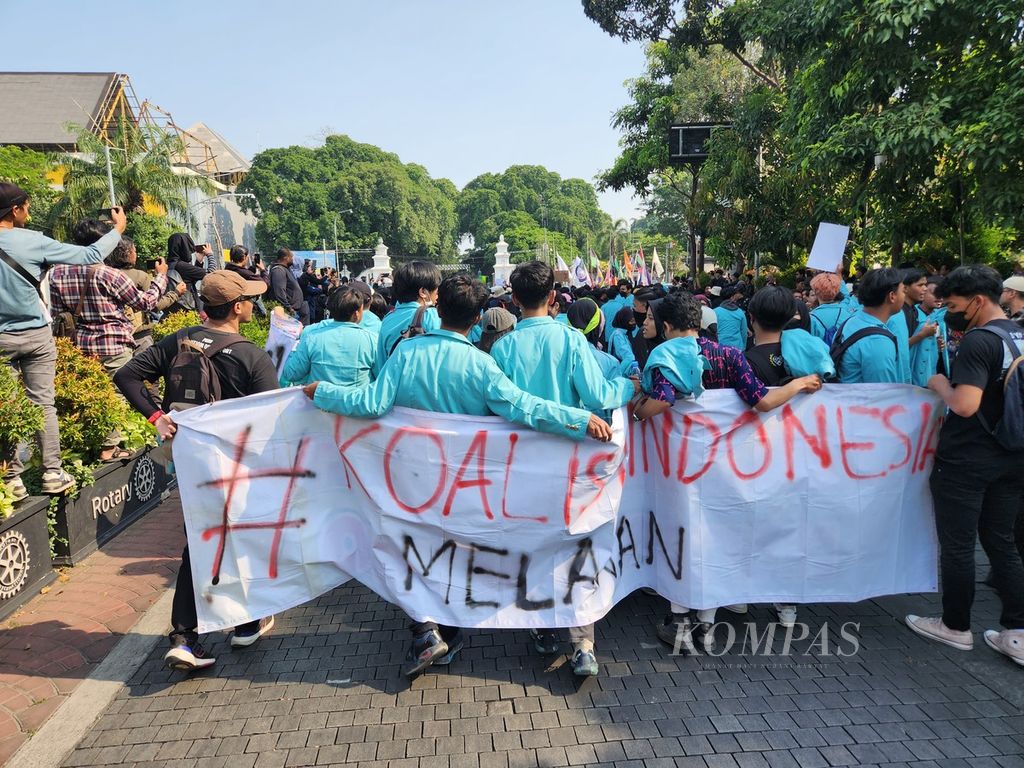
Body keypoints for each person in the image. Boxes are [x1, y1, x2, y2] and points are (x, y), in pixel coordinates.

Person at [303, 273, 613, 678]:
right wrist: (579, 419)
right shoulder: (482, 365)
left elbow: (370, 401)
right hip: (465, 486)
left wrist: (321, 392)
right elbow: (525, 407)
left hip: (409, 480)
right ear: (477, 317)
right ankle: (469, 624)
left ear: (438, 307)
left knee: (416, 549)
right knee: (457, 550)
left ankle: (433, 632)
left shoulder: (406, 354)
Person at [633, 292, 822, 649]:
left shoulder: (665, 357)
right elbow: (762, 402)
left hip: (682, 469)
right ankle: (708, 622)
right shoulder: (730, 355)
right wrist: (796, 385)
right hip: (727, 468)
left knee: (683, 535)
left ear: (669, 325)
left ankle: (681, 620)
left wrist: (638, 411)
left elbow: (662, 399)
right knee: (717, 534)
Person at [114, 270, 280, 672]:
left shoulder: (179, 341)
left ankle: (203, 632)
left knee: (201, 538)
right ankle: (221, 628)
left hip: (189, 461)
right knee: (237, 536)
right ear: (237, 307)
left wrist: (156, 415)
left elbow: (126, 374)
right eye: (248, 300)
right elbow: (274, 419)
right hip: (236, 465)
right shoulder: (251, 356)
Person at [490, 262, 638, 677]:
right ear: (553, 296)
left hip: (522, 464)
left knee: (532, 544)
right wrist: (629, 387)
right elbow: (598, 393)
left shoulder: (502, 348)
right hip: (574, 463)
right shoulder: (572, 340)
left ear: (514, 299)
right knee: (577, 545)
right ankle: (583, 642)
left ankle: (540, 628)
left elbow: (503, 406)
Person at [904, 265, 1024, 667]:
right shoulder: (1019, 333)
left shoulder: (979, 341)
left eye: (953, 305)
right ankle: (1017, 631)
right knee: (1001, 541)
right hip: (1013, 455)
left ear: (977, 300)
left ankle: (955, 626)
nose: (950, 312)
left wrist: (940, 384)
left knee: (957, 545)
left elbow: (965, 404)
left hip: (969, 458)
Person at [0, 184, 126, 499]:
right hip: (36, 337)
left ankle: (11, 479)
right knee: (43, 403)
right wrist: (117, 229)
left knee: (7, 406)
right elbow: (91, 254)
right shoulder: (32, 241)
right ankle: (52, 473)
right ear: (15, 210)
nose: (28, 212)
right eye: (26, 206)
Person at [280, 285, 377, 388]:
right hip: (356, 401)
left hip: (317, 401)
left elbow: (291, 373)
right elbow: (381, 376)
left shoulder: (312, 338)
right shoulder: (372, 340)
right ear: (356, 314)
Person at [107, 236, 186, 354]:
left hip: (114, 337)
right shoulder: (139, 276)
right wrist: (176, 293)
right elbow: (155, 305)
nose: (136, 254)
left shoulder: (106, 275)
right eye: (134, 251)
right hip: (140, 334)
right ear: (128, 253)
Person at [833, 268, 904, 384]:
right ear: (892, 296)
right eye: (903, 291)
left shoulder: (851, 322)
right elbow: (883, 394)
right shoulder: (877, 341)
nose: (904, 296)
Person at [374, 260, 442, 375]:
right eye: (436, 290)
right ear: (423, 292)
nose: (437, 295)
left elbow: (381, 363)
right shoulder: (431, 316)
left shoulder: (388, 318)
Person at [886, 268, 936, 384]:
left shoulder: (914, 310)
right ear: (905, 288)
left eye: (925, 285)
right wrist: (922, 335)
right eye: (920, 285)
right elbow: (898, 347)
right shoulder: (898, 313)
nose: (925, 289)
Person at [808, 272, 855, 344]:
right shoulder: (849, 312)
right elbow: (846, 297)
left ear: (816, 292)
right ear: (837, 291)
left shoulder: (811, 317)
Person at [269, 248, 309, 325]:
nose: (292, 260)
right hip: (290, 311)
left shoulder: (285, 269)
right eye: (291, 257)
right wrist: (289, 307)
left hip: (296, 309)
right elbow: (279, 291)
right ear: (285, 258)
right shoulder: (279, 270)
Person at [713, 286, 748, 350]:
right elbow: (744, 332)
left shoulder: (715, 312)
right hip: (737, 348)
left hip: (720, 348)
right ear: (732, 297)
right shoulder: (740, 312)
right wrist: (743, 347)